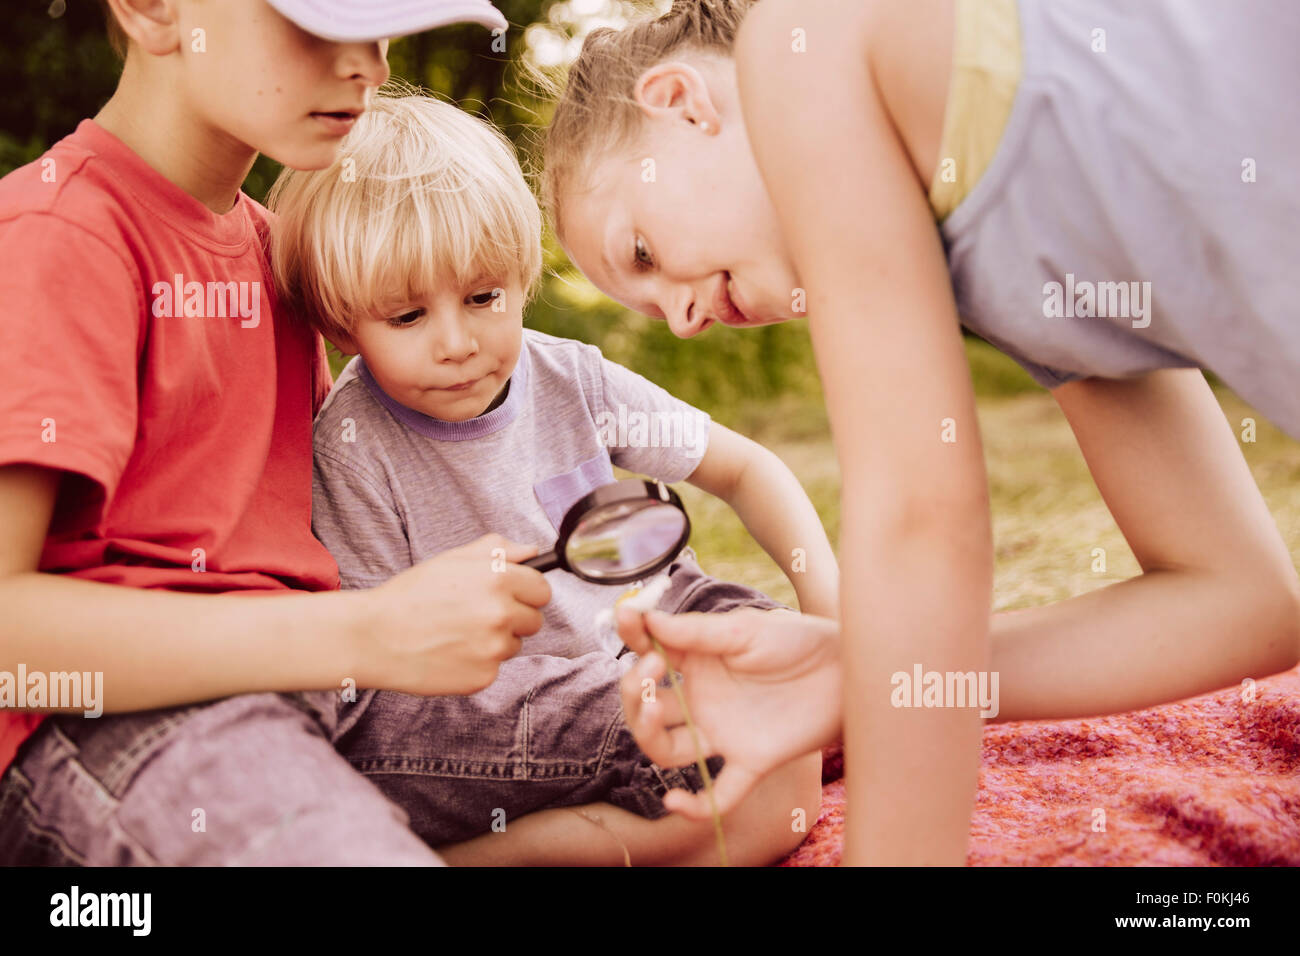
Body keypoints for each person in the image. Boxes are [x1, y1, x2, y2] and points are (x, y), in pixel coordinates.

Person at [538, 0, 1300, 864]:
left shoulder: (814, 44)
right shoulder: (1028, 296)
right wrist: (867, 671)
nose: (680, 323)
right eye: (640, 303)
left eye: (640, 251)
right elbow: (1243, 603)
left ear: (682, 102)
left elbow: (920, 524)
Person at [0, 0, 553, 866]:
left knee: (714, 740)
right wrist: (368, 634)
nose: (366, 64)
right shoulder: (56, 236)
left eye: (376, 28)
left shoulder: (278, 254)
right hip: (111, 730)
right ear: (153, 12)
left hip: (319, 688)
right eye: (318, 22)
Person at [265, 89, 829, 864]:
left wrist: (826, 606)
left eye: (483, 297)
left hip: (618, 660)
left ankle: (690, 800)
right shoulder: (355, 443)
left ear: (522, 278)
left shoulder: (573, 381)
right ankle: (520, 852)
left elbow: (745, 468)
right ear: (339, 325)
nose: (458, 342)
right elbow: (381, 665)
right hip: (467, 714)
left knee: (776, 671)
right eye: (407, 318)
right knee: (739, 733)